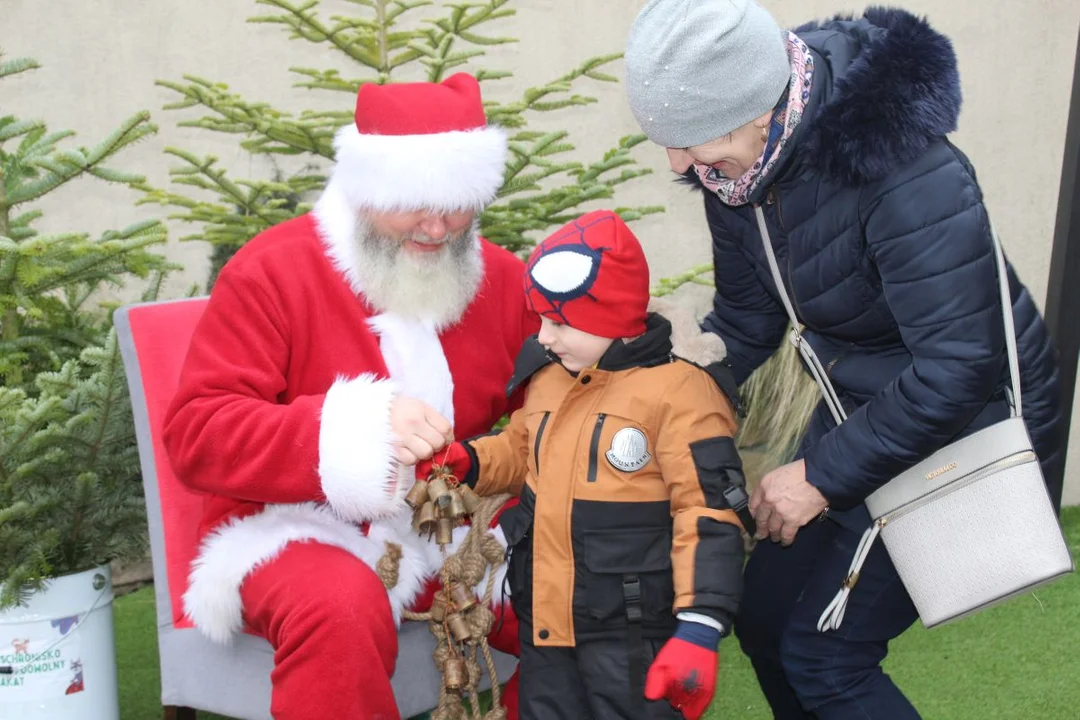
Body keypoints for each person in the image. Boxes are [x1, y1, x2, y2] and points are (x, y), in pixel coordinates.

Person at [624, 2, 1063, 718]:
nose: (677, 163)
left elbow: (957, 367)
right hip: (864, 409)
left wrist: (820, 477)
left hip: (968, 424)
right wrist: (666, 396)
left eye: (688, 138)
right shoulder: (737, 175)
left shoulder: (908, 171)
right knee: (764, 619)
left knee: (826, 656)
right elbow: (746, 320)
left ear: (757, 105)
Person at [162, 73, 533, 720]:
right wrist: (355, 430)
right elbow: (199, 431)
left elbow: (554, 399)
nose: (438, 225)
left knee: (576, 569)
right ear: (364, 190)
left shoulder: (501, 279)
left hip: (460, 520)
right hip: (291, 523)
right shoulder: (272, 271)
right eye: (413, 202)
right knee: (339, 600)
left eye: (457, 202)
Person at [416, 209, 753, 720]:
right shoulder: (550, 377)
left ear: (611, 318)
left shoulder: (681, 393)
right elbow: (520, 449)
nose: (544, 338)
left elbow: (707, 514)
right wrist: (468, 459)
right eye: (541, 322)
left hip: (634, 634)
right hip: (546, 626)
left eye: (558, 323)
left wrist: (700, 626)